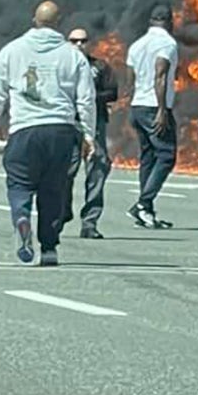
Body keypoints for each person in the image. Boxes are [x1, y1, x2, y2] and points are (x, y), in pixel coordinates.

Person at [0, 0, 95, 266]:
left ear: (34, 20)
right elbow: (86, 99)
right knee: (53, 190)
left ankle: (22, 217)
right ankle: (49, 248)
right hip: (61, 130)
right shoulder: (73, 55)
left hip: (25, 128)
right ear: (59, 23)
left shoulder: (12, 51)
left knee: (20, 183)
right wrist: (89, 135)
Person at [125, 2, 180, 229]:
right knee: (167, 155)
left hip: (138, 105)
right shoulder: (166, 43)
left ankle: (145, 211)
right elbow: (160, 75)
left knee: (148, 156)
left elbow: (130, 78)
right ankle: (143, 202)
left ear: (150, 21)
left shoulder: (136, 45)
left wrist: (132, 102)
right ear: (170, 21)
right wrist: (161, 110)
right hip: (153, 107)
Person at [64, 27, 119, 238]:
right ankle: (63, 210)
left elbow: (112, 92)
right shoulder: (61, 66)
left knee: (97, 170)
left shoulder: (99, 67)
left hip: (95, 125)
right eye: (74, 41)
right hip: (68, 124)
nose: (79, 45)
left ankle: (90, 222)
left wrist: (88, 97)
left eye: (83, 41)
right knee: (65, 172)